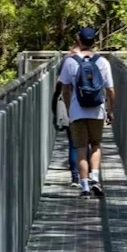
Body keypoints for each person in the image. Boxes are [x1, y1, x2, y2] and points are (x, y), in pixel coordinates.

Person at [59, 27, 115, 198]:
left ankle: (84, 187)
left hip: (77, 111)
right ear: (94, 41)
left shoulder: (70, 61)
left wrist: (69, 108)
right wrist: (110, 110)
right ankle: (95, 180)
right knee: (96, 145)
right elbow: (111, 90)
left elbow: (65, 89)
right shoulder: (103, 62)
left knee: (81, 147)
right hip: (97, 111)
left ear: (79, 40)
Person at [51, 48, 80, 184]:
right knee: (89, 142)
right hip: (90, 108)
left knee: (73, 144)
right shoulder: (94, 59)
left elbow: (60, 86)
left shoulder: (66, 60)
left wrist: (57, 107)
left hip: (71, 108)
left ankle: (75, 177)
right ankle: (90, 175)